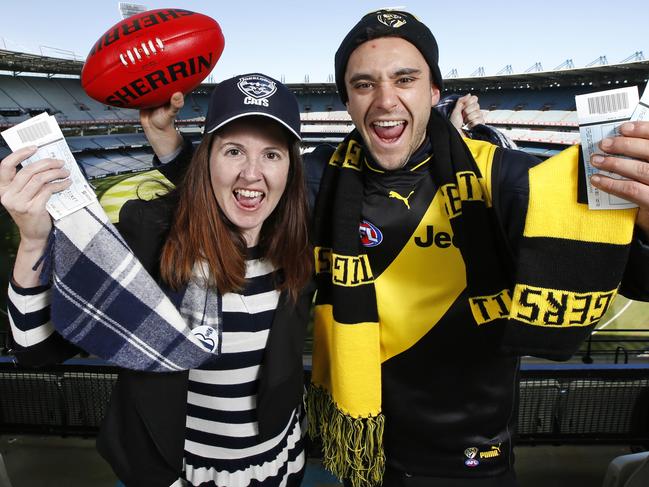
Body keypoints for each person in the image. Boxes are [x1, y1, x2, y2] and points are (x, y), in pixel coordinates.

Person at [121, 10, 649, 486]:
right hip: (354, 455)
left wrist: (644, 214)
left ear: (434, 91)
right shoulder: (320, 176)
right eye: (364, 84)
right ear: (347, 100)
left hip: (468, 461)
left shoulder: (503, 179)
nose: (385, 100)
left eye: (405, 79)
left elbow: (632, 274)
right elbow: (240, 185)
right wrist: (170, 144)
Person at [1, 73, 314, 487]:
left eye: (272, 155)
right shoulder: (151, 237)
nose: (252, 174)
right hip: (175, 471)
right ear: (207, 159)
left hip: (279, 459)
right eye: (233, 151)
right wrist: (34, 239)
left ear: (291, 168)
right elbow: (35, 350)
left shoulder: (302, 240)